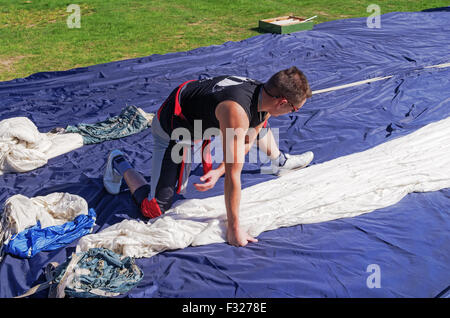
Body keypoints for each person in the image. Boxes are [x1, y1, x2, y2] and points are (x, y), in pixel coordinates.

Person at [103, 66, 313, 247]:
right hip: (173, 130)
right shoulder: (236, 111)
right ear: (282, 102)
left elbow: (249, 140)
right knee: (156, 208)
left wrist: (217, 171)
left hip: (198, 119)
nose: (291, 113)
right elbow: (234, 176)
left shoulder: (264, 96)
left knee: (256, 125)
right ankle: (119, 163)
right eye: (293, 109)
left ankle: (280, 161)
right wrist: (234, 228)